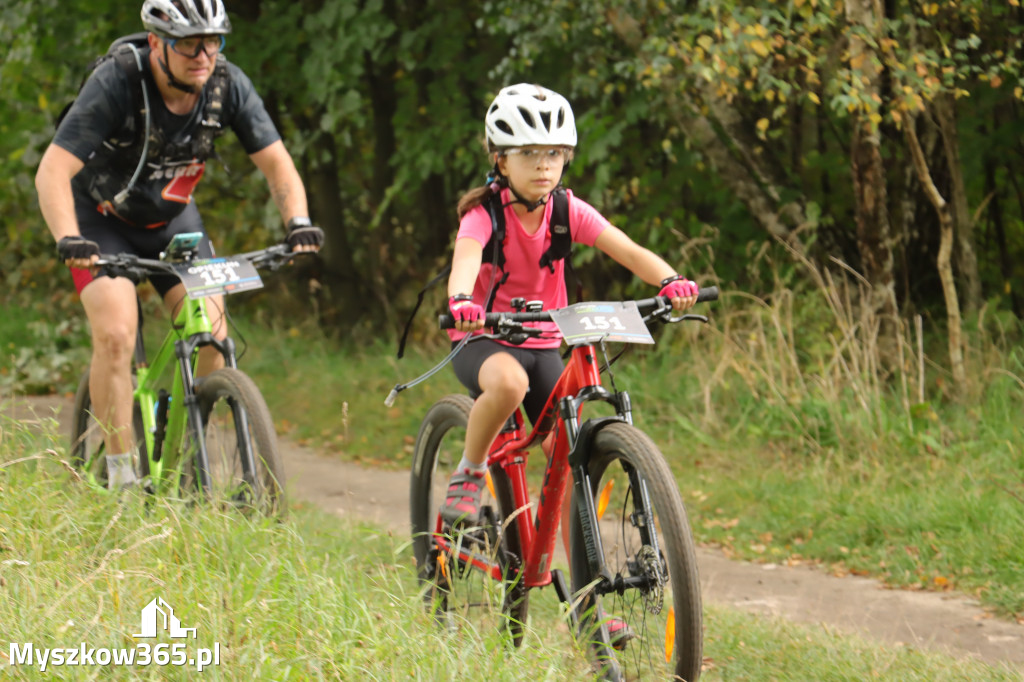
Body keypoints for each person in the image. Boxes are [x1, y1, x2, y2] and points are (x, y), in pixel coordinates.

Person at [35, 0, 323, 489]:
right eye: (189, 43)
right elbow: (53, 171)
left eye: (213, 41)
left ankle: (185, 446)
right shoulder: (117, 82)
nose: (203, 55)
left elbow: (278, 165)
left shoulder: (228, 86)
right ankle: (122, 479)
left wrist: (298, 222)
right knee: (116, 334)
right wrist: (69, 237)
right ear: (155, 43)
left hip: (171, 221)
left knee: (213, 337)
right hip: (100, 219)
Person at [441, 82, 699, 526]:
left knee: (567, 455)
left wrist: (670, 280)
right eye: (528, 153)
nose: (544, 165)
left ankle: (582, 587)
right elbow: (465, 259)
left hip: (543, 343)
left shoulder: (567, 210)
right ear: (500, 159)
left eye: (555, 153)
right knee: (508, 386)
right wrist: (462, 300)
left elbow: (629, 250)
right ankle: (471, 469)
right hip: (484, 337)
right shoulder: (483, 214)